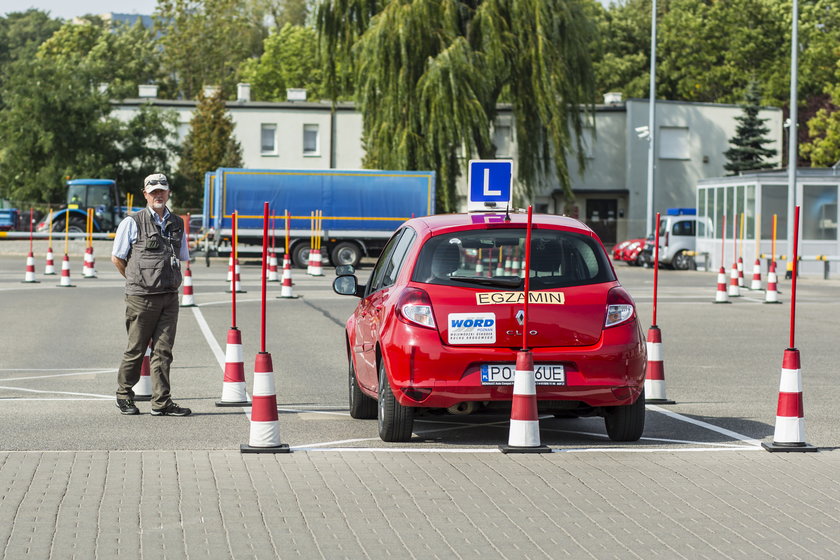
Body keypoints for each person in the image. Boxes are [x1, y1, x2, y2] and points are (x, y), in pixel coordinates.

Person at [112, 173, 192, 416]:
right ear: (145, 194)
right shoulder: (132, 222)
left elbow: (183, 257)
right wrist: (136, 280)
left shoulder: (176, 223)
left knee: (164, 351)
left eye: (162, 190)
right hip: (141, 297)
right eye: (153, 190)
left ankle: (161, 402)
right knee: (136, 349)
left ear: (168, 193)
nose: (158, 194)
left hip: (169, 296)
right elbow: (117, 257)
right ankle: (124, 395)